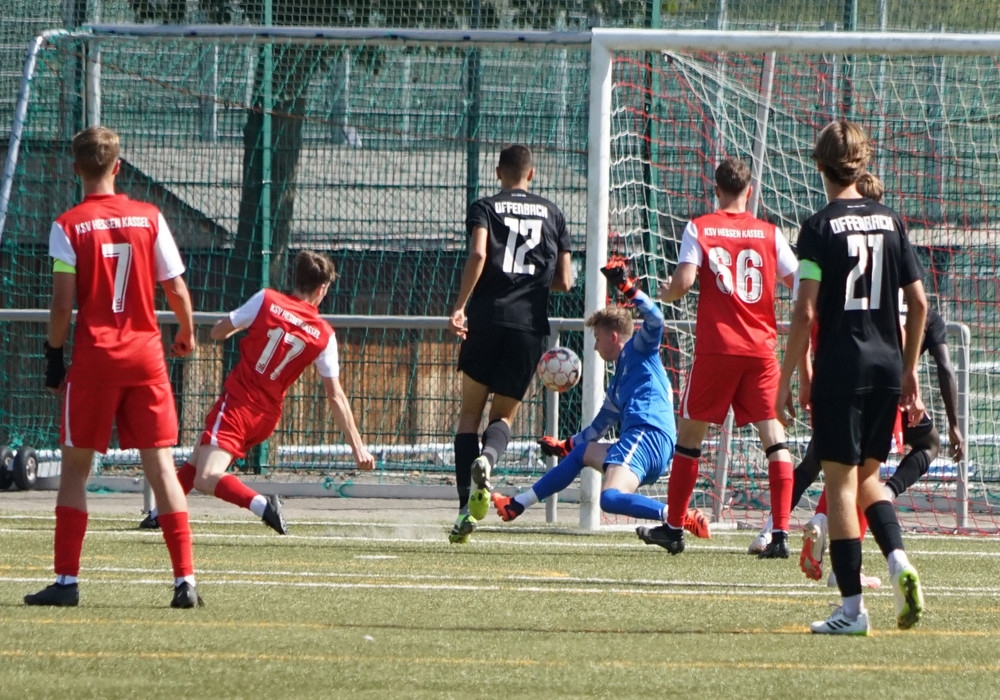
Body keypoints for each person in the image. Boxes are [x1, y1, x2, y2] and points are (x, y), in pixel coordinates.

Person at [29, 125, 200, 608]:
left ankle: (66, 582)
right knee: (162, 468)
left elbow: (62, 305)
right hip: (146, 358)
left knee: (75, 471)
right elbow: (176, 287)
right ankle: (185, 581)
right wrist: (186, 332)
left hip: (96, 361)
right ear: (118, 167)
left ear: (76, 169)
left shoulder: (67, 225)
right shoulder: (150, 217)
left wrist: (54, 357)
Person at [776, 120, 928, 636]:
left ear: (819, 165)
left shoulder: (818, 227)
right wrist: (909, 369)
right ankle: (899, 561)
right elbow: (919, 303)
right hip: (887, 366)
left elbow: (804, 311)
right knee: (868, 479)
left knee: (840, 483)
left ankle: (852, 610)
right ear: (862, 163)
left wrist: (788, 377)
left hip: (842, 366)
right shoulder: (892, 221)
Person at [138, 250, 375, 533]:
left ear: (295, 279)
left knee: (206, 476)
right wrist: (358, 447)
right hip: (265, 417)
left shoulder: (267, 300)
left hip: (238, 404)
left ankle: (264, 505)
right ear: (322, 288)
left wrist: (238, 328)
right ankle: (161, 513)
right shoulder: (324, 335)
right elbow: (336, 396)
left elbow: (217, 332)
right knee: (200, 453)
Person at [635, 157, 797, 557]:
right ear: (750, 191)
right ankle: (780, 534)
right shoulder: (770, 233)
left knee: (690, 438)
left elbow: (684, 282)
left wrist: (666, 291)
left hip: (718, 348)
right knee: (774, 439)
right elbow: (797, 282)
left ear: (716, 190)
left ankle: (674, 528)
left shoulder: (700, 227)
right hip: (761, 350)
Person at [491, 259, 709, 537]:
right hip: (647, 443)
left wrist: (626, 286)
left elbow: (655, 318)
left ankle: (678, 516)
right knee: (583, 452)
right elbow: (597, 429)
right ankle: (516, 505)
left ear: (613, 337)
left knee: (609, 498)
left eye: (597, 337)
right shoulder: (617, 385)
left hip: (647, 435)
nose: (594, 346)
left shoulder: (639, 350)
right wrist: (565, 445)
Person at [446, 144, 572, 543]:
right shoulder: (553, 213)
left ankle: (465, 508)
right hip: (528, 326)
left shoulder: (485, 206)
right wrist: (531, 283)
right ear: (531, 174)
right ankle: (489, 458)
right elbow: (565, 281)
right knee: (502, 418)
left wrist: (460, 306)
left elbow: (478, 254)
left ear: (498, 171)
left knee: (469, 416)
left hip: (486, 319)